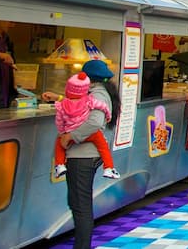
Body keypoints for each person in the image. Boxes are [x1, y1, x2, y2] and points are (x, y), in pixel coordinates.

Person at [55, 59, 120, 249]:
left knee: (80, 205)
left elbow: (95, 122)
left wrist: (70, 136)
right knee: (77, 202)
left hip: (83, 156)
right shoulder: (100, 92)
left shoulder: (97, 94)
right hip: (85, 154)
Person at [53, 72, 119, 180]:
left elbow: (95, 122)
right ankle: (109, 167)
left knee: (59, 144)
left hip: (81, 152)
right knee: (103, 147)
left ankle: (59, 165)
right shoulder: (90, 100)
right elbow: (102, 107)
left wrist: (65, 134)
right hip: (92, 138)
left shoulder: (64, 104)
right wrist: (108, 115)